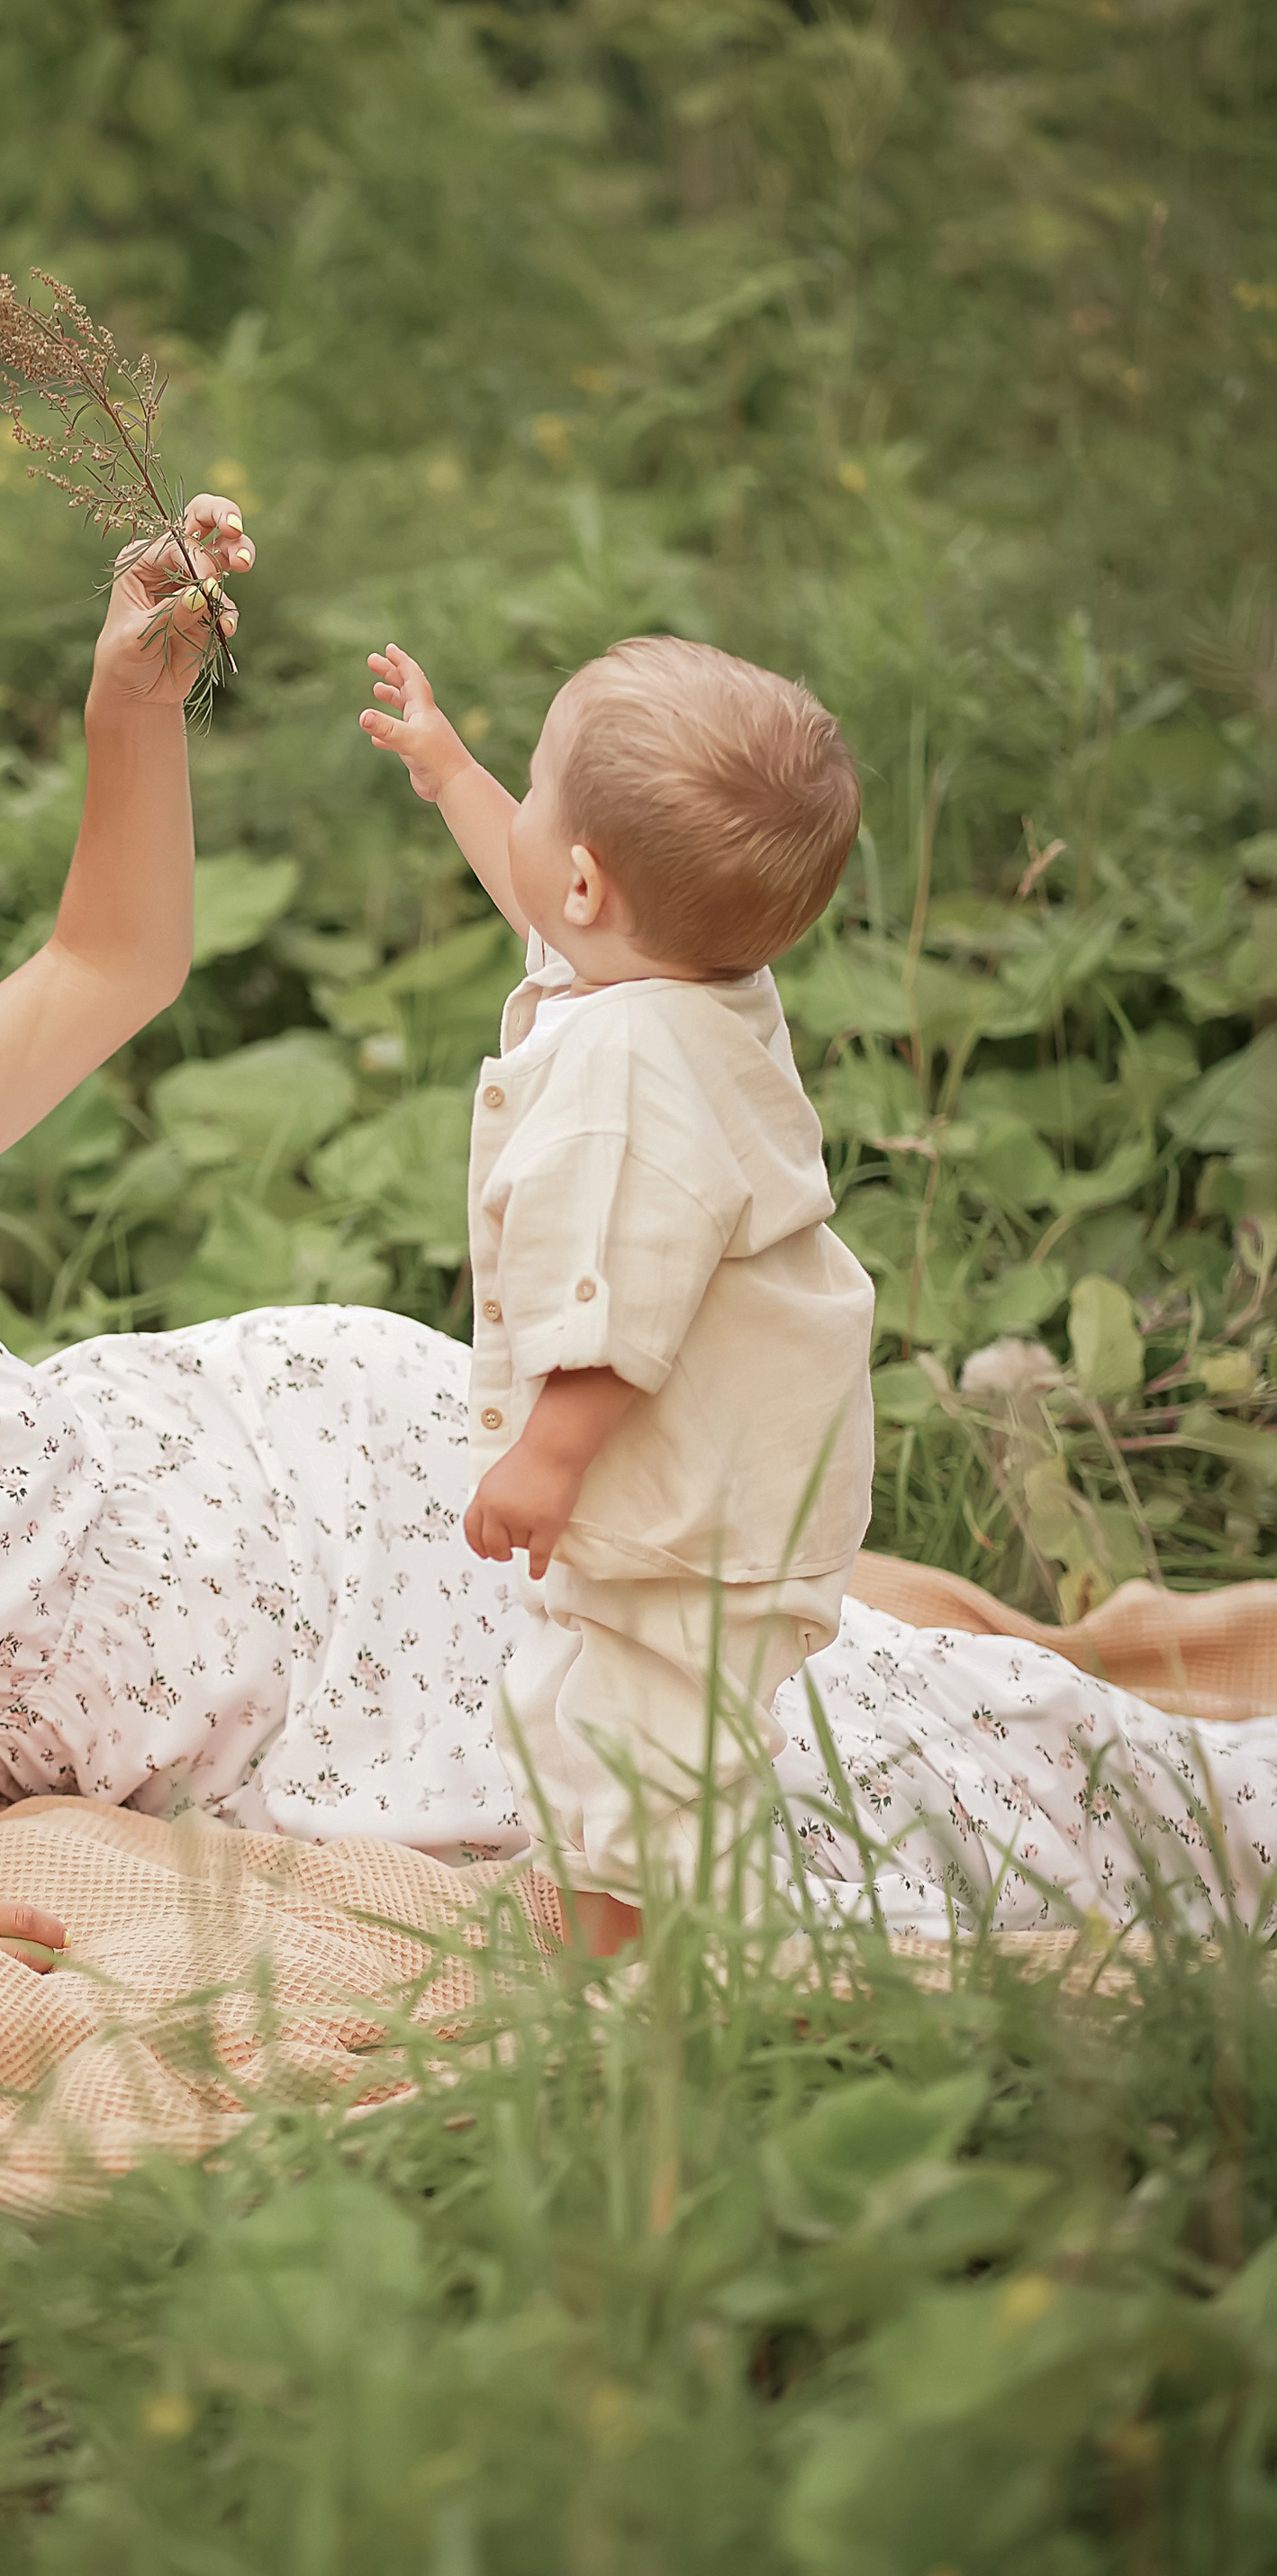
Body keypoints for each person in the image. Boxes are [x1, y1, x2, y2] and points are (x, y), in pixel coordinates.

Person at [0, 516, 1277, 1964]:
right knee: (768, 1788)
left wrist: (124, 708)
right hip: (285, 1710)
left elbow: (104, 964)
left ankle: (1218, 1823)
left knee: (848, 1716)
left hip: (317, 1451)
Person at [359, 632, 874, 1948]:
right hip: (719, 1462)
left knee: (643, 1742)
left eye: (533, 789)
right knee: (590, 1705)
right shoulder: (678, 970)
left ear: (590, 882)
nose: (518, 815)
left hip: (696, 1490)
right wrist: (453, 771)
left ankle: (637, 1987)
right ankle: (617, 1916)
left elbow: (618, 1301)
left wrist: (546, 1456)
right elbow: (547, 906)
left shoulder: (632, 1080)